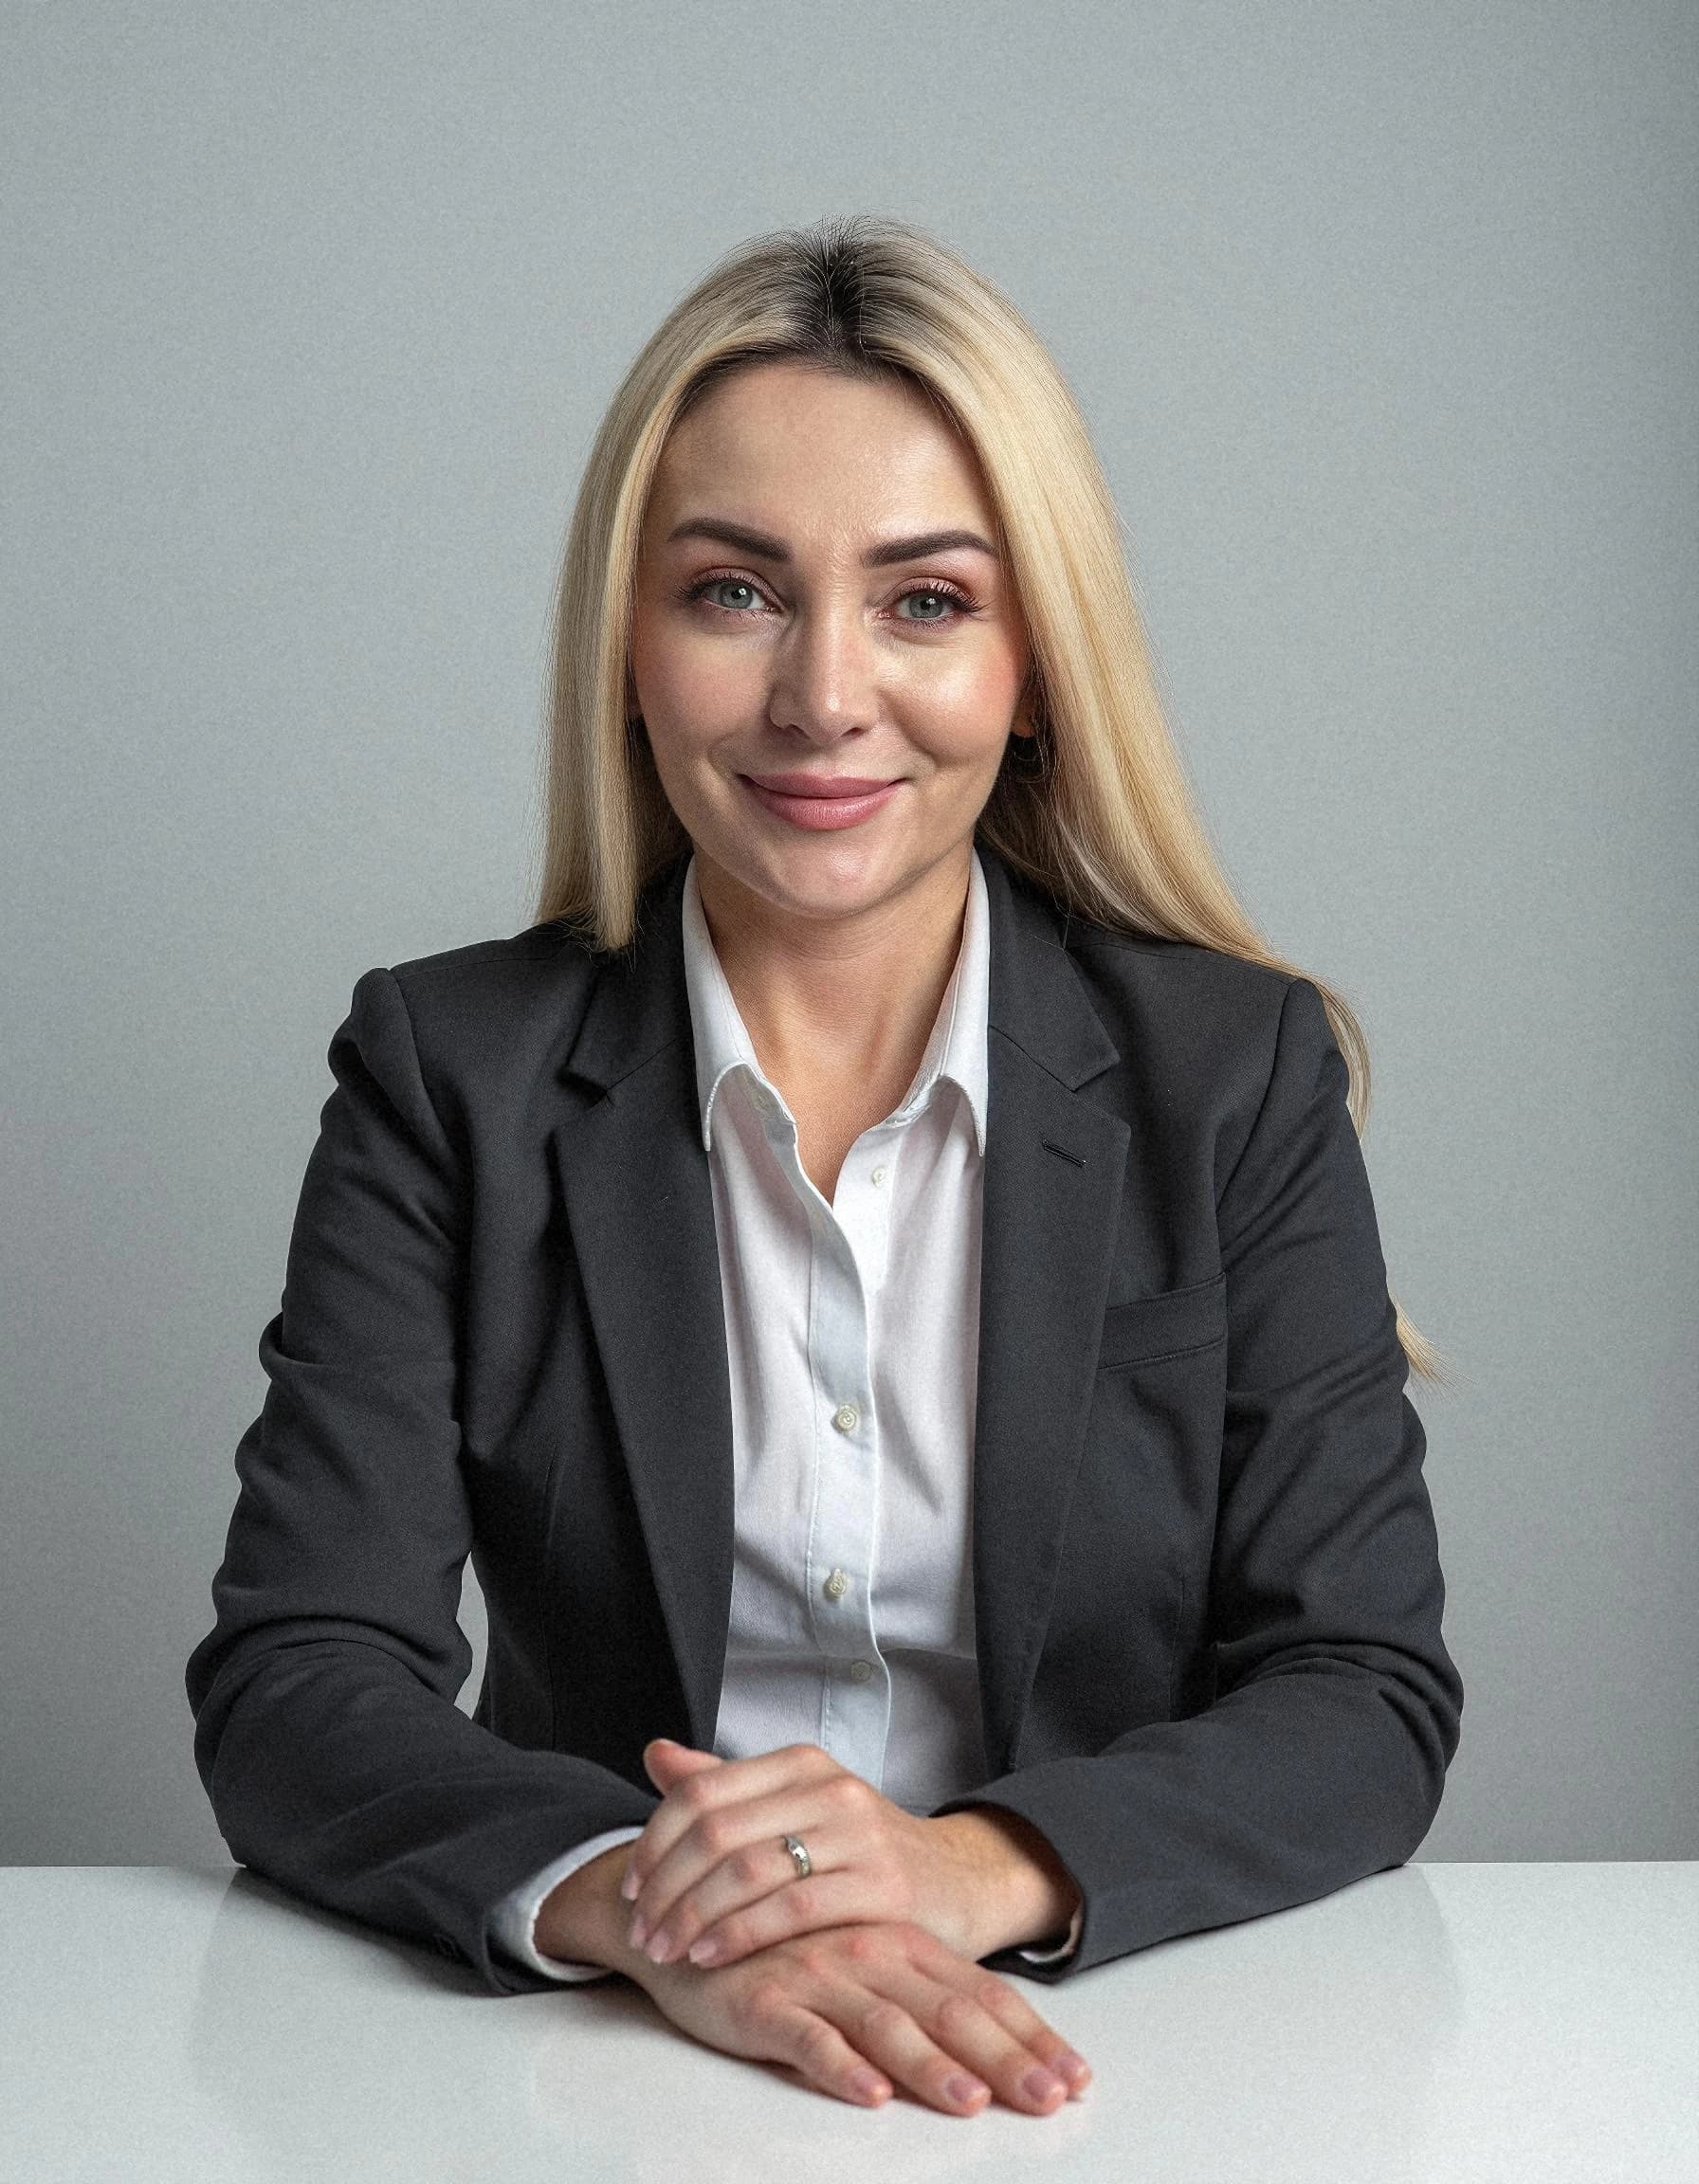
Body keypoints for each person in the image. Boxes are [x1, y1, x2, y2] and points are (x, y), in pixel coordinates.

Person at [186, 214, 1464, 2121]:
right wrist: (653, 1909)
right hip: (605, 2075)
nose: (822, 696)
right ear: (627, 647)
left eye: (926, 601)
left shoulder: (1232, 1074)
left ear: (1036, 663)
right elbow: (297, 1678)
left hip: (1126, 2067)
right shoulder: (447, 1071)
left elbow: (1360, 1693)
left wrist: (962, 1873)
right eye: (733, 592)